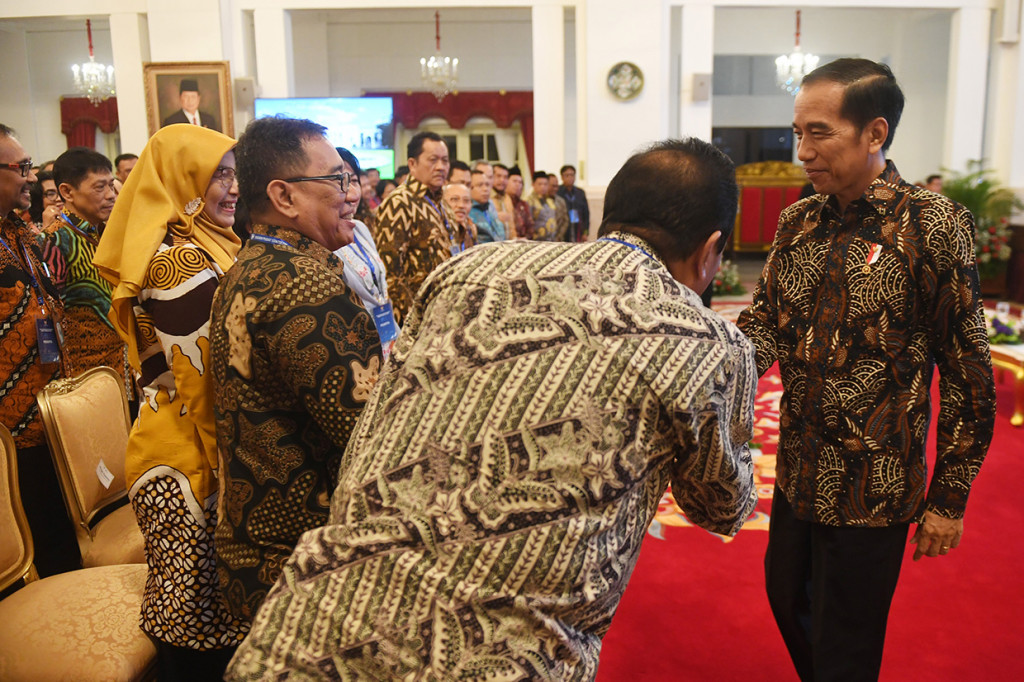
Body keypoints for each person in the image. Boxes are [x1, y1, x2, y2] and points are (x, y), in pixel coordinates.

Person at [224, 137, 758, 681]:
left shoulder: (471, 268)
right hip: (500, 661)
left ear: (607, 215)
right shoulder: (710, 342)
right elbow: (721, 505)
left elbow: (378, 419)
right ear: (710, 248)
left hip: (306, 632)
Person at [737, 58, 997, 682]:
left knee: (847, 642)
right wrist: (701, 369)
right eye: (797, 132)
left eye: (819, 133)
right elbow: (765, 324)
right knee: (786, 597)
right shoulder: (799, 221)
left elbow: (968, 368)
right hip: (798, 467)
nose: (802, 151)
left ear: (875, 133)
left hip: (874, 484)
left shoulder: (934, 225)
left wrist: (950, 496)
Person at [209, 117, 383, 623]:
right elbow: (369, 437)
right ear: (284, 197)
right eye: (334, 180)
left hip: (255, 544)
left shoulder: (252, 264)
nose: (351, 193)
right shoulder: (306, 287)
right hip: (303, 565)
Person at [93, 124, 249, 679]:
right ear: (183, 180)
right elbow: (204, 384)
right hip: (187, 465)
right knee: (196, 633)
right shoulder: (176, 262)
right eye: (218, 175)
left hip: (191, 450)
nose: (233, 188)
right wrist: (239, 476)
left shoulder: (211, 242)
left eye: (235, 173)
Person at [0, 123, 81, 578]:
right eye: (22, 167)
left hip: (50, 413)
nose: (31, 177)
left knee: (60, 538)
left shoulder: (20, 234)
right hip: (9, 435)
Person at [42, 148, 126, 382]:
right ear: (67, 192)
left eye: (111, 185)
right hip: (86, 378)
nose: (111, 195)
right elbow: (50, 319)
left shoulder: (108, 234)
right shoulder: (54, 241)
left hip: (124, 371)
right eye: (100, 187)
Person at [374, 131, 455, 323]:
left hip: (447, 308)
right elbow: (391, 275)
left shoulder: (441, 200)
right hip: (420, 317)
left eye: (445, 160)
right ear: (412, 164)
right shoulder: (398, 203)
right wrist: (414, 321)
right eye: (433, 160)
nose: (440, 167)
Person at [335, 147, 399, 359]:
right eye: (339, 181)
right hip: (357, 350)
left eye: (353, 181)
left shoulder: (360, 228)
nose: (351, 193)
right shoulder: (321, 239)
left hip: (386, 336)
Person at [468, 168, 505, 243]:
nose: (485, 189)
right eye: (480, 185)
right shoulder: (467, 212)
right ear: (469, 188)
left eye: (487, 185)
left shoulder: (490, 208)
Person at [558, 164, 590, 242]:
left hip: (578, 229)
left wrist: (585, 232)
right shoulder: (558, 192)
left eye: (572, 175)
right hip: (564, 230)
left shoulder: (580, 193)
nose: (570, 178)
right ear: (562, 177)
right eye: (567, 175)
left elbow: (586, 214)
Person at [442, 180, 477, 250]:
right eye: (454, 199)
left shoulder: (471, 228)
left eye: (466, 200)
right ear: (442, 202)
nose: (461, 205)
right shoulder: (438, 228)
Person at [27, 169, 64, 234]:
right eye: (51, 194)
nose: (59, 198)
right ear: (39, 199)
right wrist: (47, 227)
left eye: (61, 192)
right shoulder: (31, 230)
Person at [528, 170, 561, 240]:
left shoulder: (550, 201)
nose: (543, 187)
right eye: (540, 184)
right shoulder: (529, 201)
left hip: (552, 240)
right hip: (536, 242)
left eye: (545, 184)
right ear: (533, 184)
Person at [508, 165, 534, 239]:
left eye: (520, 182)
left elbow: (530, 226)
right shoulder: (502, 202)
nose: (518, 185)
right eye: (514, 181)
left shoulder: (524, 204)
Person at [491, 162, 516, 237]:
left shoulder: (507, 198)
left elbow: (511, 225)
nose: (502, 180)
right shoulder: (486, 198)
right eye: (498, 176)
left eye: (505, 177)